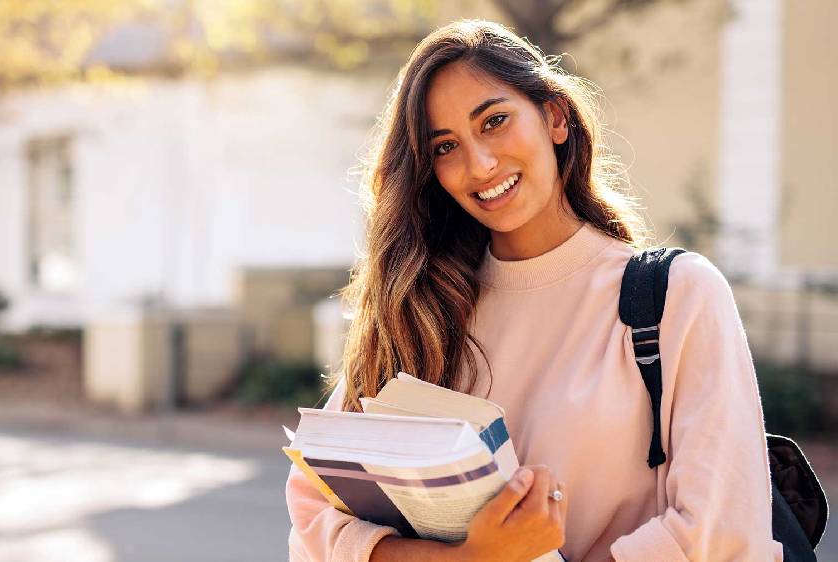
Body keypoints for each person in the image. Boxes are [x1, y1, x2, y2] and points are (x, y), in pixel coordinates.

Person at [285, 19, 783, 562]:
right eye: (446, 147)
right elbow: (316, 521)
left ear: (555, 118)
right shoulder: (420, 308)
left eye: (494, 121)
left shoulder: (676, 298)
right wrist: (472, 559)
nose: (480, 164)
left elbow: (719, 532)